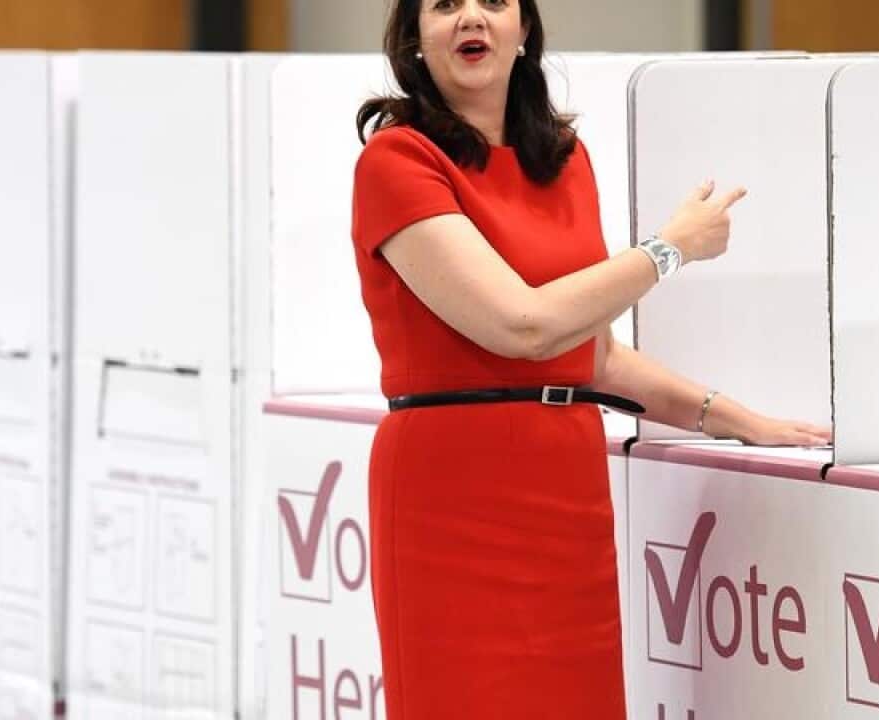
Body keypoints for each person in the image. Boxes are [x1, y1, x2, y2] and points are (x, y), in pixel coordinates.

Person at [351, 0, 832, 717]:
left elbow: (594, 354)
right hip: (450, 493)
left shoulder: (566, 161)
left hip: (563, 490)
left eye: (493, 2)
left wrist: (731, 417)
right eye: (445, 5)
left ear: (524, 32)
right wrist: (668, 250)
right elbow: (523, 327)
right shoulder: (399, 159)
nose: (470, 18)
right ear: (414, 39)